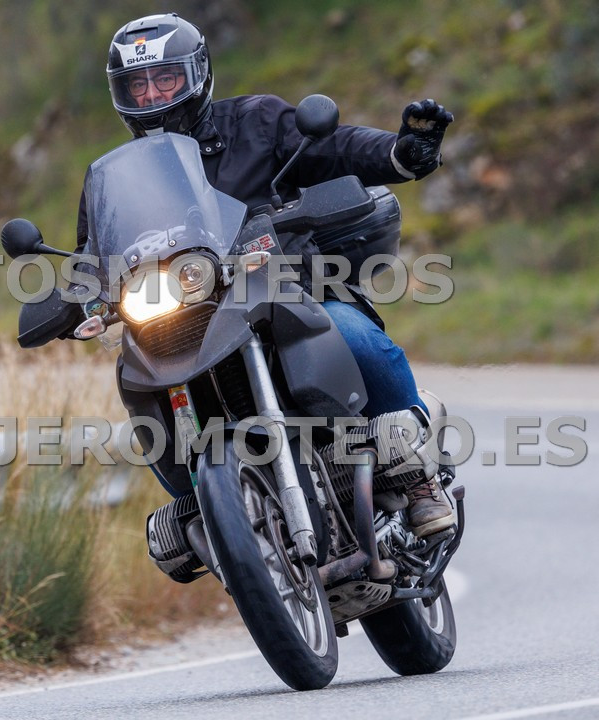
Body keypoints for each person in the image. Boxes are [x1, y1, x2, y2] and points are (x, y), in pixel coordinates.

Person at [76, 13, 456, 537]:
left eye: (165, 78)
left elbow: (334, 147)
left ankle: (417, 476)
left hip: (288, 287)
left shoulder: (255, 121)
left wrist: (398, 152)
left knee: (353, 335)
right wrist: (79, 297)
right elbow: (92, 255)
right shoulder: (115, 180)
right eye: (136, 85)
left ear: (197, 74)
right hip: (181, 321)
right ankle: (201, 510)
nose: (152, 94)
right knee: (138, 378)